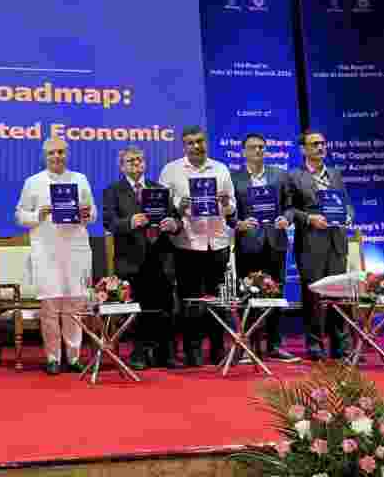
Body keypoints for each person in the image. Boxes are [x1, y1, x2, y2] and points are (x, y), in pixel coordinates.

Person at [15, 137, 96, 375]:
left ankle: (73, 357)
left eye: (61, 152)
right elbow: (20, 215)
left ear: (67, 154)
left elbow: (93, 214)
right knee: (50, 306)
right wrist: (38, 215)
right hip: (46, 250)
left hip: (75, 248)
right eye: (52, 153)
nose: (57, 157)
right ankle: (52, 357)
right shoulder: (33, 182)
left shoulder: (80, 179)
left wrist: (86, 213)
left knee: (75, 303)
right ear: (45, 156)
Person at [159, 125, 237, 367]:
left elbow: (232, 207)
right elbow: (161, 207)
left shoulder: (221, 168)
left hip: (218, 242)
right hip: (187, 243)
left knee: (217, 300)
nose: (196, 146)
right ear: (184, 146)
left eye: (200, 141)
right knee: (190, 301)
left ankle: (217, 349)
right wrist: (178, 207)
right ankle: (193, 351)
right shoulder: (171, 170)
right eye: (191, 142)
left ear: (206, 143)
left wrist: (226, 204)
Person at [102, 145, 182, 370]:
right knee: (137, 309)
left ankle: (166, 354)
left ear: (145, 163)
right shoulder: (113, 190)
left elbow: (178, 222)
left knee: (165, 308)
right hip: (131, 260)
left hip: (161, 257)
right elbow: (108, 221)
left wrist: (174, 224)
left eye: (139, 160)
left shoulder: (159, 189)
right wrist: (129, 222)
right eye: (130, 161)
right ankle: (138, 353)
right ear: (122, 166)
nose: (136, 164)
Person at [230, 134, 298, 362]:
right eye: (252, 147)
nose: (258, 151)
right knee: (247, 296)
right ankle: (246, 345)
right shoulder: (233, 178)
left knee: (276, 296)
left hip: (275, 242)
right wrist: (237, 223)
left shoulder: (279, 175)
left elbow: (290, 206)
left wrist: (286, 219)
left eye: (261, 147)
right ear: (244, 151)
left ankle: (274, 345)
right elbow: (230, 213)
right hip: (248, 243)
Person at [287, 130, 353, 361]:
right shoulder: (294, 176)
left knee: (339, 294)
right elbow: (290, 210)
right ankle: (315, 345)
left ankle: (341, 346)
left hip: (337, 240)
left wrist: (348, 217)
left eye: (323, 143)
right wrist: (309, 219)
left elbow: (346, 204)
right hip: (311, 241)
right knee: (313, 296)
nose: (320, 147)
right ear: (303, 149)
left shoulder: (335, 174)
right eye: (315, 144)